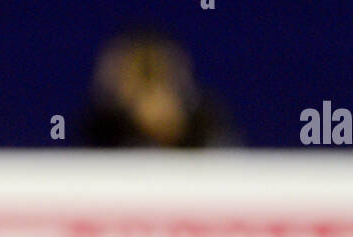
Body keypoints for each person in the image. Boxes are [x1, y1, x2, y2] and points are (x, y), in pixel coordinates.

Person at [78, 29, 239, 149]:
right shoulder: (101, 127)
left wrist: (176, 131)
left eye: (155, 75)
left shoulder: (204, 123)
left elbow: (228, 172)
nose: (149, 94)